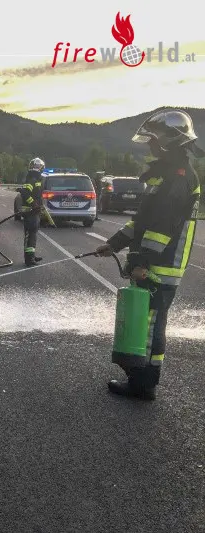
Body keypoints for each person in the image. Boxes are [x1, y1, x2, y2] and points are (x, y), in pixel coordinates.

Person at [95, 109, 202, 400]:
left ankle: (144, 384)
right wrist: (114, 243)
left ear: (168, 141)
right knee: (147, 322)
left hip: (162, 265)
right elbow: (142, 221)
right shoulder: (167, 174)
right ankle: (139, 376)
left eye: (153, 140)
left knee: (152, 325)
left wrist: (142, 262)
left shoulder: (178, 178)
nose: (150, 145)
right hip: (155, 262)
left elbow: (162, 227)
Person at [20, 158, 46, 266]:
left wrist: (39, 205)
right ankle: (29, 259)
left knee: (32, 235)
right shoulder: (32, 178)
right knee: (30, 234)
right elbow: (25, 193)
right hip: (30, 211)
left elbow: (36, 195)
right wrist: (34, 204)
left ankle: (31, 255)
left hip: (34, 211)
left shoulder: (35, 178)